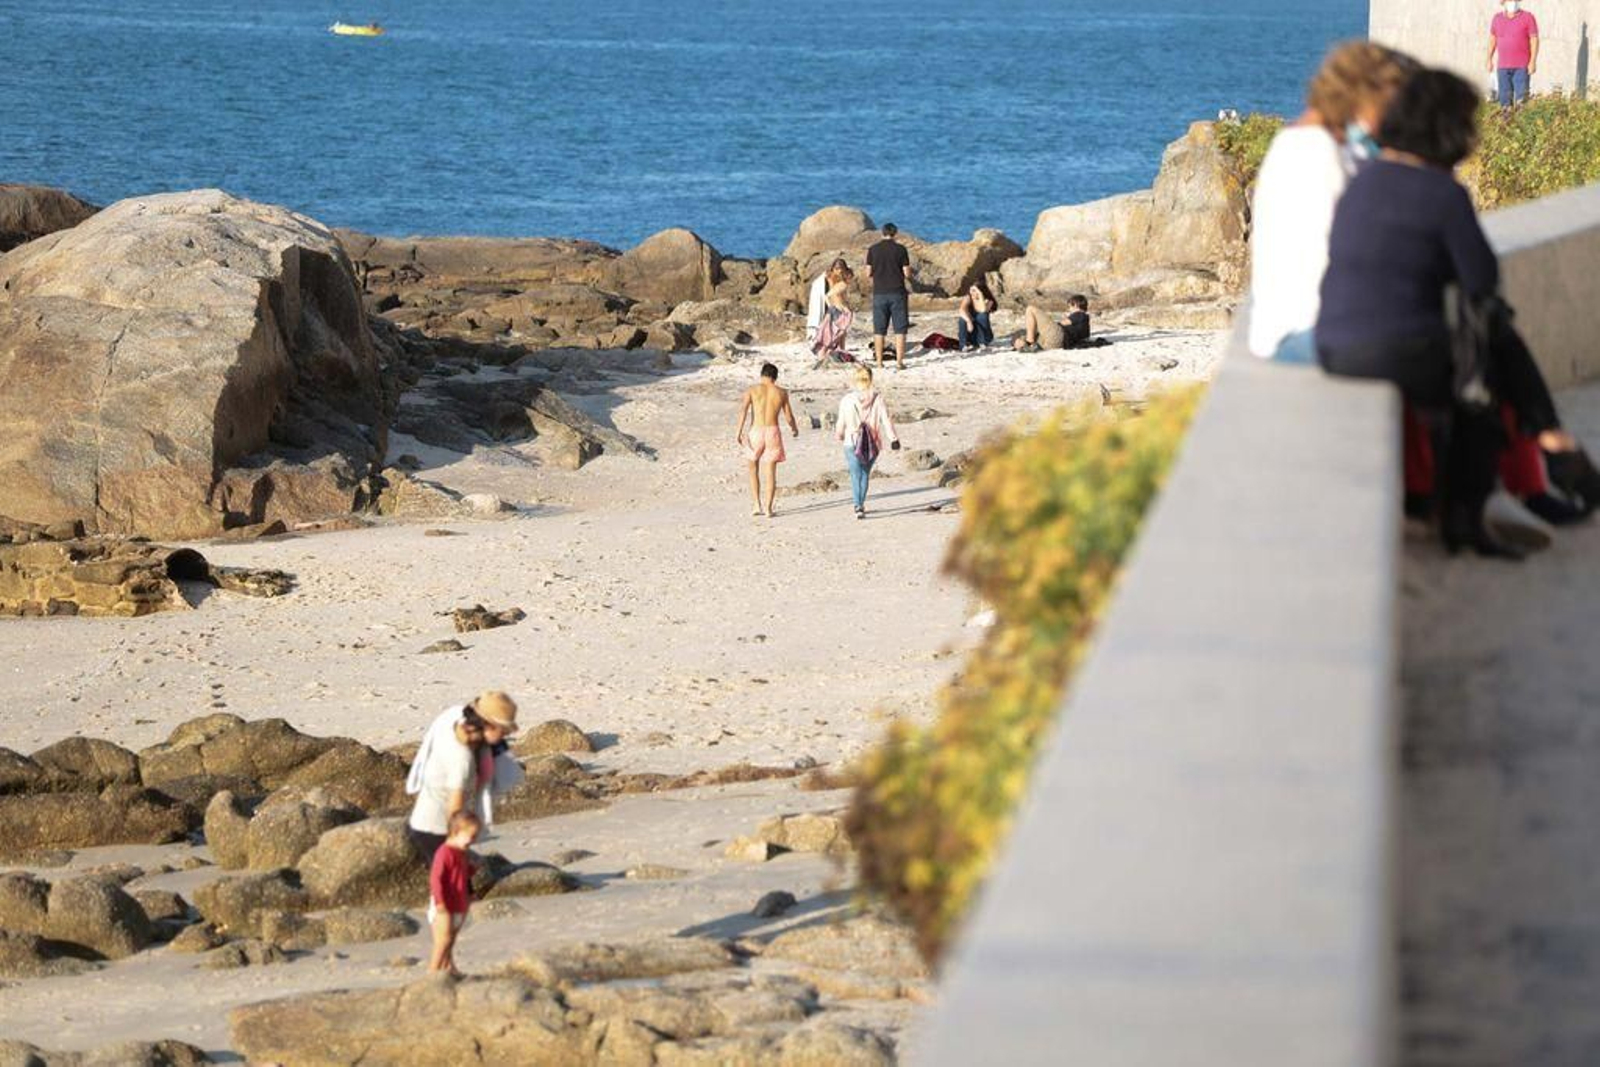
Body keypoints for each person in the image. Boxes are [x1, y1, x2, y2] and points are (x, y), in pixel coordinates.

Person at [1316, 68, 1575, 556]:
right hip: (1397, 350)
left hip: (1334, 345)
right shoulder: (1441, 193)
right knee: (1482, 388)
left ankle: (1550, 449)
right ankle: (1470, 515)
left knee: (1487, 341)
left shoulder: (1362, 181)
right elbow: (1482, 279)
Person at [1247, 42, 1420, 361]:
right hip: (1306, 330)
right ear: (1361, 96)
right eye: (1386, 105)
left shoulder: (1303, 141)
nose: (1388, 118)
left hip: (1303, 325)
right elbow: (1354, 252)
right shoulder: (1316, 153)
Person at [404, 691, 520, 864]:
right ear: (489, 726)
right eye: (503, 731)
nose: (505, 737)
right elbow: (454, 807)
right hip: (437, 831)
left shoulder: (459, 724)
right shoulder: (461, 758)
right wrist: (455, 845)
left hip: (429, 824)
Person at [834, 364, 900, 518]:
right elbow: (886, 420)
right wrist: (893, 439)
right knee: (865, 474)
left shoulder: (847, 400)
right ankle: (860, 504)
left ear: (855, 380)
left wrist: (839, 434)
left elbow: (841, 421)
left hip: (851, 441)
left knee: (855, 474)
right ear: (870, 379)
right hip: (872, 443)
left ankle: (858, 505)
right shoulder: (878, 399)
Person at [735, 362, 800, 517]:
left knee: (753, 469)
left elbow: (743, 410)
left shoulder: (752, 390)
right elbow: (789, 417)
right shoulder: (782, 392)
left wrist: (738, 431)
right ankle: (769, 508)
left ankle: (757, 504)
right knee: (770, 472)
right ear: (775, 378)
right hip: (773, 431)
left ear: (762, 375)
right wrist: (794, 429)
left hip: (755, 431)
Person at [427, 809, 479, 976]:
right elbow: (436, 879)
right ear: (456, 832)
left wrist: (472, 871)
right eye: (471, 836)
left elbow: (460, 875)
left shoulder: (461, 853)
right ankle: (433, 971)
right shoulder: (444, 853)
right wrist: (440, 902)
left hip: (458, 901)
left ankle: (449, 967)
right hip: (444, 904)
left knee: (451, 939)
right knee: (443, 940)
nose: (473, 840)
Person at [865, 223, 913, 370]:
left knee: (879, 329)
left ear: (882, 233)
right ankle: (899, 362)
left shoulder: (873, 249)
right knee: (900, 329)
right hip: (897, 292)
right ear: (895, 233)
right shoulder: (900, 249)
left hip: (879, 293)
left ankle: (879, 362)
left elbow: (868, 273)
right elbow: (907, 273)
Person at [1488, 1, 1539, 107]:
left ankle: (1521, 122)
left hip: (1522, 67)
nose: (1512, 2)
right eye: (1509, 0)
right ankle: (1507, 121)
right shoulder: (1497, 19)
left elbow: (1534, 39)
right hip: (1502, 68)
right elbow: (1493, 39)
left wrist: (1533, 61)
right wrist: (1489, 59)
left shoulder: (1528, 17)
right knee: (1504, 101)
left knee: (1522, 101)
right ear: (1503, 2)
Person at [1012, 295, 1094, 352]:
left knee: (1030, 309)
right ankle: (1021, 343)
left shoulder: (1080, 315)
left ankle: (1029, 342)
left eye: (1070, 307)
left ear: (1076, 305)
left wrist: (1045, 323)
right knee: (1022, 335)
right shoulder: (1084, 323)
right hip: (1053, 344)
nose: (1069, 310)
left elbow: (1062, 323)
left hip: (1058, 336)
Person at [812, 265, 855, 361]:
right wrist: (840, 307)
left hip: (835, 309)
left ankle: (840, 351)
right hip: (837, 310)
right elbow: (829, 295)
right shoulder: (843, 284)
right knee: (838, 332)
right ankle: (828, 350)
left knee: (839, 333)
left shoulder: (838, 283)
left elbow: (836, 296)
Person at [807, 258, 851, 343]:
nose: (839, 272)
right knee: (837, 330)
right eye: (837, 269)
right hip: (833, 307)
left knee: (841, 330)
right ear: (833, 269)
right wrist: (833, 307)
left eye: (841, 270)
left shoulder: (841, 279)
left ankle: (841, 349)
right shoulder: (830, 278)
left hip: (836, 306)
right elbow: (829, 294)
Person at [956, 282, 998, 351]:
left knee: (982, 316)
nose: (971, 292)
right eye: (971, 290)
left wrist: (980, 295)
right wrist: (969, 321)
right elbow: (961, 310)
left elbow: (983, 310)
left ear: (980, 291)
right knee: (962, 319)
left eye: (974, 290)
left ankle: (982, 342)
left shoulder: (989, 301)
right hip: (972, 334)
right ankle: (963, 345)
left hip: (984, 335)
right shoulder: (968, 298)